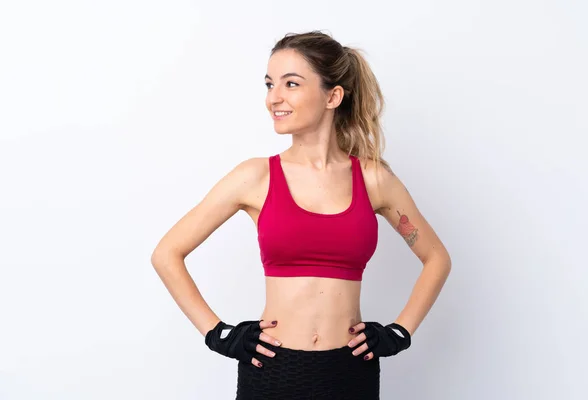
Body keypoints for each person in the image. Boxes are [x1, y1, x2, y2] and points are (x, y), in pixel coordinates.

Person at [151, 30, 452, 400]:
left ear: (333, 96)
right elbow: (167, 253)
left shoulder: (374, 180)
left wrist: (400, 331)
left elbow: (436, 257)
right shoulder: (255, 176)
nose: (273, 98)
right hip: (273, 370)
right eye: (269, 84)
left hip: (351, 372)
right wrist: (219, 334)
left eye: (291, 84)